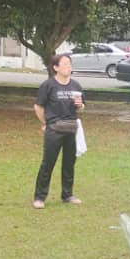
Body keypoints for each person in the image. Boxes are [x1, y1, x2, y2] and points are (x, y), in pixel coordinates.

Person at [32, 54, 84, 209]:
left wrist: (80, 105)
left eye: (70, 64)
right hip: (54, 130)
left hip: (71, 129)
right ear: (56, 67)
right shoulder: (48, 85)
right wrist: (45, 123)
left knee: (69, 163)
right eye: (65, 64)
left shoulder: (76, 85)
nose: (68, 66)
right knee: (48, 163)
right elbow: (38, 106)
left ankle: (67, 194)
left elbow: (82, 107)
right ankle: (39, 197)